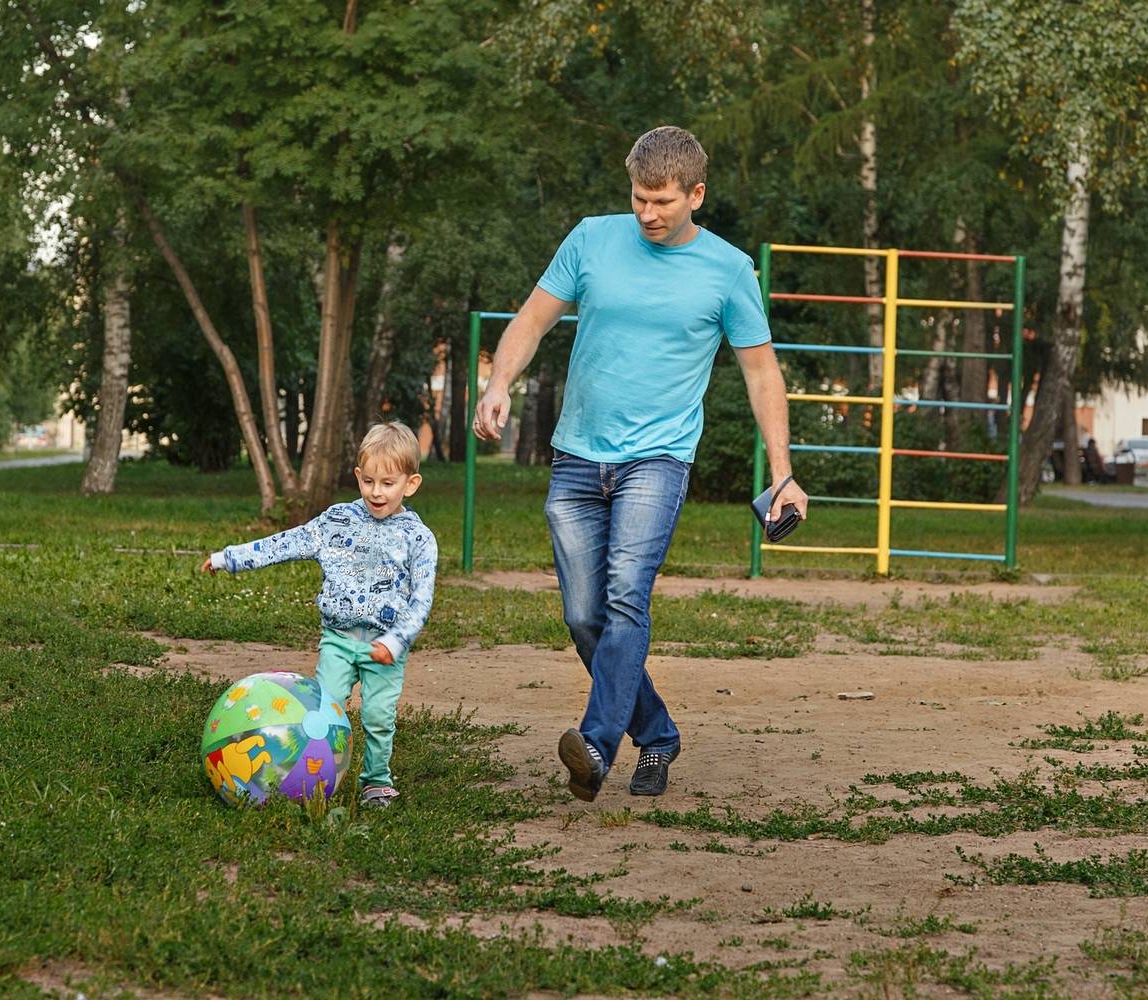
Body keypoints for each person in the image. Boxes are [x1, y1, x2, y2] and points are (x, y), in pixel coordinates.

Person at [473, 125, 808, 802]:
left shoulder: (728, 270)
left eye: (662, 201)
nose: (648, 213)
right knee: (584, 617)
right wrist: (499, 382)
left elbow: (761, 373)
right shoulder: (591, 239)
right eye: (638, 198)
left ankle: (596, 745)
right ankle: (656, 734)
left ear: (696, 195)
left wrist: (783, 472)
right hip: (577, 455)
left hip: (658, 458)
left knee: (627, 592)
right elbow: (533, 320)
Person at [201, 421, 438, 808]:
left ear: (410, 484)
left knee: (378, 717)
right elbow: (287, 542)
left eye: (388, 483)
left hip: (384, 647)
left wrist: (396, 641)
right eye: (369, 481)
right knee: (321, 713)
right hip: (338, 641)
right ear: (358, 476)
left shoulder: (419, 539)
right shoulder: (336, 521)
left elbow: (421, 600)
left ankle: (376, 781)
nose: (376, 492)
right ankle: (313, 775)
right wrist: (229, 558)